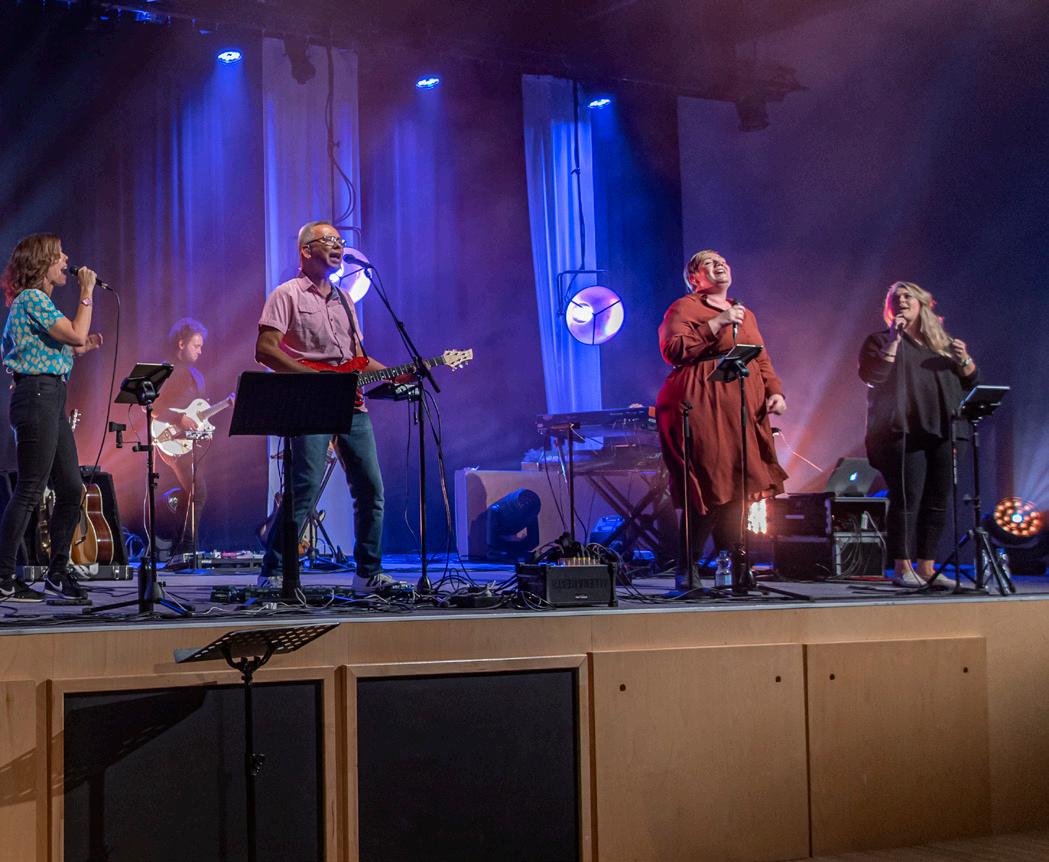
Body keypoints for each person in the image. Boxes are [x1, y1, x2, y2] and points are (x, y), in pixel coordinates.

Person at [254, 220, 391, 593]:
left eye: (340, 241)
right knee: (305, 487)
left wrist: (400, 374)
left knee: (371, 489)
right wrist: (313, 379)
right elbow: (265, 350)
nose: (338, 246)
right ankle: (273, 570)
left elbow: (358, 358)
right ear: (306, 250)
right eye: (329, 240)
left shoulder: (346, 299)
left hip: (351, 406)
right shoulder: (286, 294)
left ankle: (367, 574)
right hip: (310, 402)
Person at [656, 250, 788, 588]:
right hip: (702, 405)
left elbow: (760, 357)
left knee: (738, 486)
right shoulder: (684, 307)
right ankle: (688, 566)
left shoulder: (746, 314)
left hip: (740, 409)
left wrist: (775, 391)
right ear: (694, 278)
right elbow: (673, 349)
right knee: (711, 485)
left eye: (723, 261)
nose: (720, 265)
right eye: (709, 263)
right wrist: (717, 323)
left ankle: (737, 566)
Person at [0, 234, 103, 601]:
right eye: (59, 255)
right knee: (31, 487)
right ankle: (3, 577)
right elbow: (75, 332)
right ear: (42, 263)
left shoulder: (38, 304)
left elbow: (57, 347)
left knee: (72, 488)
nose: (67, 260)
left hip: (50, 396)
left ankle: (57, 573)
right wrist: (86, 292)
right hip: (37, 396)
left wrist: (80, 347)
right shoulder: (31, 298)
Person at [859, 281, 978, 588]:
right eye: (895, 297)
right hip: (903, 430)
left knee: (938, 499)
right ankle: (902, 568)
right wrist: (893, 340)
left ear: (923, 303)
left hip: (944, 429)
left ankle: (927, 567)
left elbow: (970, 384)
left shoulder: (942, 344)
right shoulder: (880, 340)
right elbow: (873, 376)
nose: (901, 300)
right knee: (907, 497)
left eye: (907, 295)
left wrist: (965, 359)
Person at [152, 317, 209, 557]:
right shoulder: (166, 371)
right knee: (198, 490)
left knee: (191, 492)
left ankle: (179, 547)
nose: (200, 351)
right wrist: (178, 419)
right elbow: (151, 407)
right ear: (181, 343)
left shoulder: (196, 375)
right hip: (170, 439)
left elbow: (197, 411)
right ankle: (188, 548)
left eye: (201, 347)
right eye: (196, 346)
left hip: (191, 441)